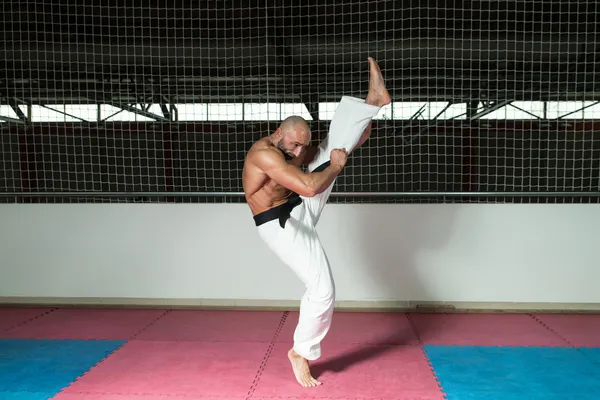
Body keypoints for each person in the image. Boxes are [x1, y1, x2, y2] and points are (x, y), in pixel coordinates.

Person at [242, 57, 391, 387]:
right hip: (279, 223)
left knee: (330, 150)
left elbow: (321, 156)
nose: (298, 151)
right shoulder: (264, 154)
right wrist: (337, 166)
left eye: (301, 145)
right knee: (322, 290)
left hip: (296, 206)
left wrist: (351, 142)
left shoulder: (293, 150)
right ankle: (300, 352)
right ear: (279, 132)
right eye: (294, 144)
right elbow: (311, 184)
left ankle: (372, 102)